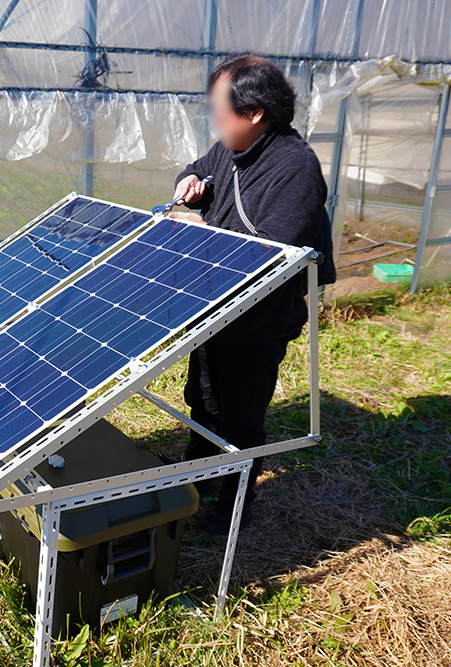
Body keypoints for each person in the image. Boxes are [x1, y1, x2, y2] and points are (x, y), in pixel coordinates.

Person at [169, 55, 326, 534]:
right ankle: (198, 476)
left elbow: (269, 256)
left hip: (258, 319)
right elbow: (195, 166)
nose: (214, 121)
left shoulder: (295, 169)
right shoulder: (230, 149)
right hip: (215, 306)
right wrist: (186, 184)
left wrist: (195, 229)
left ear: (254, 113)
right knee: (203, 399)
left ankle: (235, 503)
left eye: (219, 110)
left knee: (241, 416)